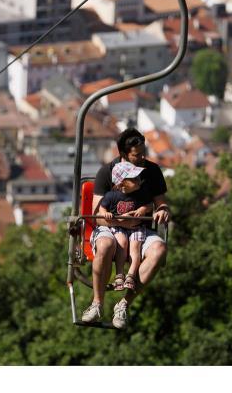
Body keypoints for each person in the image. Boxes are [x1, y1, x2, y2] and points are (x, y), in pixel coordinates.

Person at [82, 128, 170, 329]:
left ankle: (123, 304)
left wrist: (162, 211)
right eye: (137, 155)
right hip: (111, 229)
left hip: (140, 230)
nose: (142, 157)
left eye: (143, 152)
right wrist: (122, 223)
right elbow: (98, 216)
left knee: (160, 250)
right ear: (123, 155)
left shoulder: (152, 171)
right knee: (104, 245)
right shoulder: (107, 172)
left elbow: (160, 203)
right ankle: (97, 303)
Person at [96, 161, 153, 292]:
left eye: (138, 177)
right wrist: (106, 214)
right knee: (121, 243)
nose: (139, 180)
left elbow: (150, 205)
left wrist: (143, 209)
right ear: (121, 183)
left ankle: (131, 275)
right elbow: (102, 209)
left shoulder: (140, 193)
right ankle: (119, 274)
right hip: (120, 227)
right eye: (134, 178)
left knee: (135, 247)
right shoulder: (111, 196)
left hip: (136, 227)